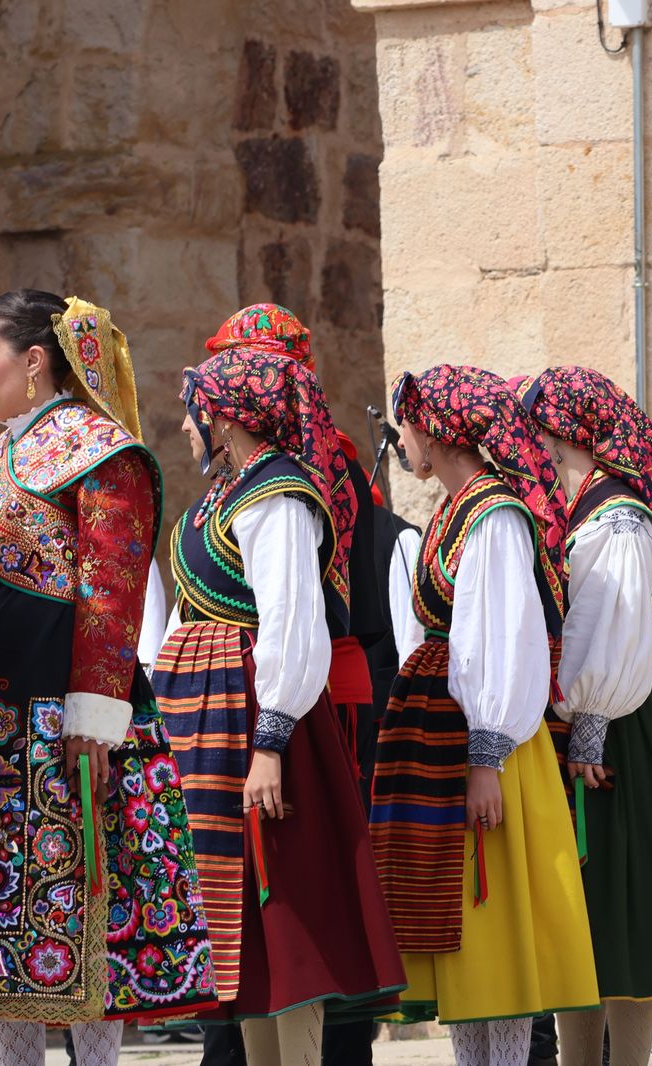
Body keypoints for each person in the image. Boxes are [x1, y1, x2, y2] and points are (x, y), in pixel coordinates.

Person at [0, 291, 214, 1066]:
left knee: (86, 906)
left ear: (33, 361)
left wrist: (95, 715)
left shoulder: (101, 451)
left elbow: (112, 587)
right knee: (1, 923)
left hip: (68, 721)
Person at [155, 346, 404, 1066]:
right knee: (243, 942)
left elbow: (292, 623)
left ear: (228, 417)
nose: (184, 427)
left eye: (193, 410)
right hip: (205, 725)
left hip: (259, 727)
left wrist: (269, 743)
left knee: (284, 919)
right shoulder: (226, 494)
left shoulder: (279, 496)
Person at [372, 364, 598, 1066]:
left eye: (406, 422)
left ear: (434, 431)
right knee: (464, 951)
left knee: (493, 935)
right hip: (441, 733)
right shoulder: (453, 507)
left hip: (482, 744)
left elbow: (499, 640)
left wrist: (485, 760)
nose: (400, 436)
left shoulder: (493, 514)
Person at [516, 366, 652, 1066]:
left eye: (536, 429)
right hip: (584, 725)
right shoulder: (582, 511)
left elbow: (604, 632)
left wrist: (586, 725)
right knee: (581, 921)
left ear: (559, 431)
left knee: (624, 916)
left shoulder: (618, 517)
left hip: (613, 730)